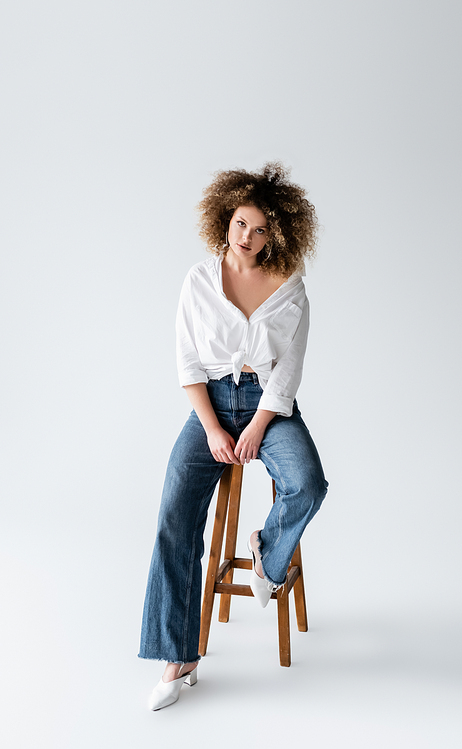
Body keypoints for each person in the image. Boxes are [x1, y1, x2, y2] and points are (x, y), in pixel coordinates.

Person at [139, 162, 328, 710]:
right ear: (225, 218)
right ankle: (179, 654)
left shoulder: (292, 290)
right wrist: (214, 428)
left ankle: (268, 556)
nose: (247, 237)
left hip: (271, 407)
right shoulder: (198, 282)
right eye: (240, 223)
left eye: (260, 228)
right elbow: (188, 363)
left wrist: (260, 427)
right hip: (212, 406)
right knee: (174, 513)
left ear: (278, 233)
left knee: (309, 484)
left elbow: (288, 373)